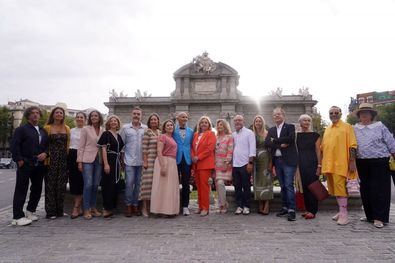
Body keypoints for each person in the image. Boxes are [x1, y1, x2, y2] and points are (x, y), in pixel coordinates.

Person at [353, 103, 395, 228]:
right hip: (361, 161)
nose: (364, 115)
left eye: (367, 113)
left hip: (379, 160)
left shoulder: (380, 126)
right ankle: (370, 215)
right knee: (365, 189)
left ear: (372, 115)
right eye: (362, 113)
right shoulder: (355, 128)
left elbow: (390, 142)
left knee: (380, 190)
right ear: (359, 115)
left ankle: (379, 217)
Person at [11, 106, 49, 226]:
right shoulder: (21, 129)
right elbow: (15, 145)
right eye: (32, 113)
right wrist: (19, 160)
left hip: (39, 164)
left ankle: (30, 211)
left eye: (37, 113)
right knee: (21, 189)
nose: (35, 115)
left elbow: (47, 146)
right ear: (28, 115)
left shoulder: (43, 131)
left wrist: (46, 153)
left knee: (37, 188)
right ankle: (17, 217)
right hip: (26, 163)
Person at [321, 106, 357, 225]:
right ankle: (341, 211)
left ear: (340, 114)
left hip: (341, 164)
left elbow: (353, 145)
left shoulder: (347, 127)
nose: (334, 114)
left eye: (336, 112)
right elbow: (323, 147)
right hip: (329, 164)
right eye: (331, 113)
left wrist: (352, 161)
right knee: (335, 189)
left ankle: (344, 215)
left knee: (340, 189)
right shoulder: (327, 129)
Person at [265, 107, 298, 221]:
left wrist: (275, 140)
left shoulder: (290, 127)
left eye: (279, 114)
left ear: (283, 115)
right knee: (282, 185)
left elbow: (290, 139)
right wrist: (279, 144)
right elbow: (267, 142)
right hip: (277, 161)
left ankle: (292, 210)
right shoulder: (271, 130)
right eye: (275, 115)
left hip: (288, 160)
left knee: (289, 185)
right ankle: (284, 207)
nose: (277, 116)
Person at [43, 107, 71, 219]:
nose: (59, 114)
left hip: (63, 159)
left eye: (61, 113)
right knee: (50, 185)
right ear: (53, 115)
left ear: (63, 115)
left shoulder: (67, 128)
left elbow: (67, 145)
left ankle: (60, 210)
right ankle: (50, 212)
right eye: (57, 112)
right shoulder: (47, 128)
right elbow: (44, 144)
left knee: (61, 186)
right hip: (51, 159)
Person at [120, 107, 147, 217]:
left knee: (138, 185)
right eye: (134, 114)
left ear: (141, 115)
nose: (136, 115)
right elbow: (122, 145)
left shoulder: (145, 128)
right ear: (132, 114)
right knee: (129, 183)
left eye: (138, 114)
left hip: (141, 162)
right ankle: (128, 206)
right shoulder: (126, 128)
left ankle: (136, 205)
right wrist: (122, 160)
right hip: (129, 161)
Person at [77, 110, 104, 220]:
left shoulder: (103, 129)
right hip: (87, 159)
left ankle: (93, 207)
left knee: (95, 185)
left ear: (99, 117)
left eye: (96, 115)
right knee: (88, 184)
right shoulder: (85, 129)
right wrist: (79, 161)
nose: (94, 117)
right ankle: (86, 209)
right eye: (92, 116)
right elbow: (81, 146)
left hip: (99, 160)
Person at [150, 120, 180, 216]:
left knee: (170, 187)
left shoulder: (173, 138)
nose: (170, 126)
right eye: (168, 125)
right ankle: (161, 210)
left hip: (172, 162)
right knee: (162, 187)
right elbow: (159, 151)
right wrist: (163, 166)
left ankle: (170, 210)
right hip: (164, 161)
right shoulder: (162, 136)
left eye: (171, 125)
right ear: (164, 127)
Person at [98, 115, 124, 218]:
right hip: (109, 160)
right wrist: (106, 164)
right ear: (108, 123)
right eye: (111, 121)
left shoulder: (118, 136)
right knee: (108, 185)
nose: (113, 122)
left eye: (115, 121)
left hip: (116, 162)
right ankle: (106, 209)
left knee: (114, 185)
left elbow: (120, 151)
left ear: (118, 123)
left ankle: (111, 208)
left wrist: (121, 164)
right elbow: (103, 149)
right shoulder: (106, 134)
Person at [296, 114, 321, 219]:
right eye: (304, 120)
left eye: (308, 120)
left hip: (312, 163)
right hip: (301, 164)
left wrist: (319, 166)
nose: (306, 122)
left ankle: (313, 211)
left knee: (312, 186)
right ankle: (307, 209)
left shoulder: (315, 135)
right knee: (304, 187)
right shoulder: (296, 136)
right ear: (300, 123)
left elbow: (318, 151)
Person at [191, 116, 216, 216]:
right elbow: (192, 147)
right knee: (199, 187)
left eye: (206, 122)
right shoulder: (196, 134)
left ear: (209, 124)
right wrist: (193, 156)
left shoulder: (211, 134)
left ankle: (205, 208)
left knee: (204, 187)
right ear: (199, 124)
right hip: (196, 164)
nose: (204, 124)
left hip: (205, 164)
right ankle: (200, 206)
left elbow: (210, 148)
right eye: (202, 122)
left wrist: (199, 157)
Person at [232, 115, 256, 215]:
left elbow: (252, 149)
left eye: (239, 120)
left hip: (245, 163)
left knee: (246, 186)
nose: (237, 122)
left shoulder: (249, 133)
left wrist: (250, 163)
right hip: (235, 164)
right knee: (237, 186)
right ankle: (239, 206)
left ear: (243, 121)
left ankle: (246, 206)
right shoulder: (233, 134)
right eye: (236, 120)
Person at [139, 113, 161, 217]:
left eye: (155, 120)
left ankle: (153, 207)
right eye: (152, 120)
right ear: (149, 121)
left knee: (155, 184)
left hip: (158, 161)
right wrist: (145, 161)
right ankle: (144, 207)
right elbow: (144, 148)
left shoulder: (160, 133)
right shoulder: (147, 132)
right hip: (150, 159)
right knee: (147, 184)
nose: (153, 121)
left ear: (158, 121)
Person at [173, 112, 194, 216]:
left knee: (186, 183)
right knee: (174, 183)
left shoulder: (191, 131)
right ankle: (174, 205)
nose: (185, 118)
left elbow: (193, 145)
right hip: (175, 159)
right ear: (178, 118)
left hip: (187, 159)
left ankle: (185, 206)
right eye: (183, 117)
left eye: (186, 117)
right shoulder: (173, 130)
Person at [252, 115, 273, 215]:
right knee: (258, 182)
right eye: (256, 121)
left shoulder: (267, 133)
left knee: (266, 181)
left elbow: (271, 149)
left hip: (265, 159)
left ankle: (267, 205)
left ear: (262, 122)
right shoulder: (252, 134)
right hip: (255, 160)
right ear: (254, 123)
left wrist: (270, 162)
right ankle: (260, 204)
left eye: (260, 121)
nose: (258, 123)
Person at [68, 111, 86, 219]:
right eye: (78, 117)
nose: (79, 119)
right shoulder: (71, 130)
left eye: (81, 117)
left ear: (85, 119)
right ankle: (78, 207)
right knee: (74, 181)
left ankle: (76, 207)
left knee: (82, 181)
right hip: (72, 154)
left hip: (83, 155)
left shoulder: (87, 130)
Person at [214, 119, 233, 214]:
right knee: (218, 185)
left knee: (220, 183)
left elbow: (230, 151)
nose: (219, 126)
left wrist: (226, 163)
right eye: (218, 125)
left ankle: (224, 204)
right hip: (216, 164)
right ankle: (221, 204)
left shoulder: (229, 137)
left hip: (225, 164)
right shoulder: (215, 137)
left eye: (221, 125)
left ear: (225, 126)